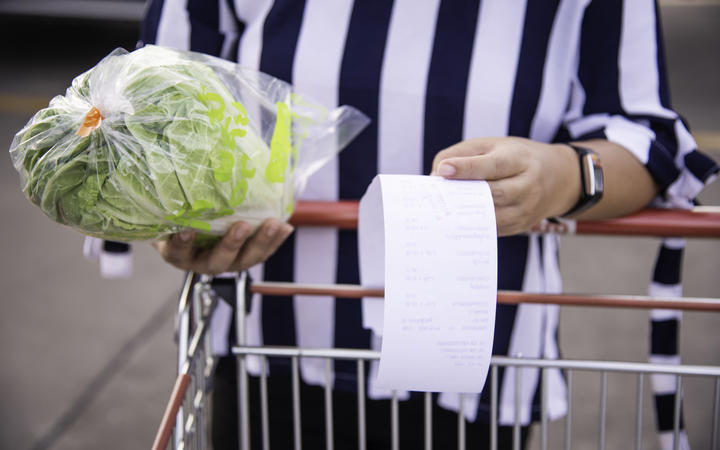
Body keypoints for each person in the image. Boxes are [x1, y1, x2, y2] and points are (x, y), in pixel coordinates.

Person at [133, 1, 718, 449]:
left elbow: (651, 141)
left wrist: (561, 174)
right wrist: (176, 218)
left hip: (480, 359)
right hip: (268, 343)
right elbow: (149, 110)